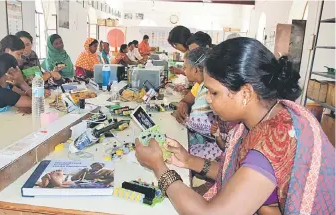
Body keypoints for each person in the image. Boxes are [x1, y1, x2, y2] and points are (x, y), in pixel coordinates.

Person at [134, 38, 335, 215]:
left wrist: (158, 166)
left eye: (214, 93)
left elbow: (209, 214)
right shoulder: (265, 117)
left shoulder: (274, 142)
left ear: (246, 93)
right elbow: (237, 174)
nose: (208, 100)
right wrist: (189, 161)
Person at [174, 31, 213, 125]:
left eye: (195, 51)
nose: (192, 54)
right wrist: (182, 104)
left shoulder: (210, 84)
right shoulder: (200, 83)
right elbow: (187, 100)